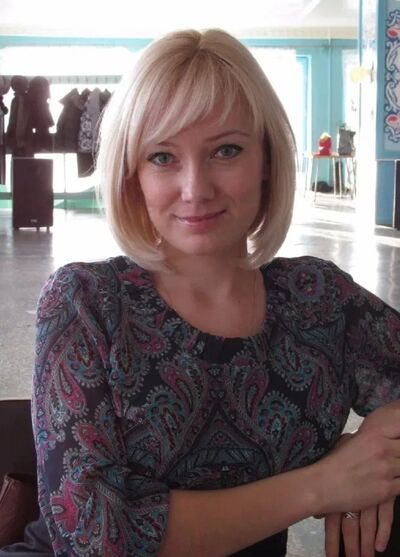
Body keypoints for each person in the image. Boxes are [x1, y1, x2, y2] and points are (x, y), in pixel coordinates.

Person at [24, 28, 400, 557]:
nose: (195, 189)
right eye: (163, 157)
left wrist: (380, 444)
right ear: (132, 174)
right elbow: (92, 536)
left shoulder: (318, 297)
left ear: (266, 161)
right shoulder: (87, 301)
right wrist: (324, 484)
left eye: (226, 150)